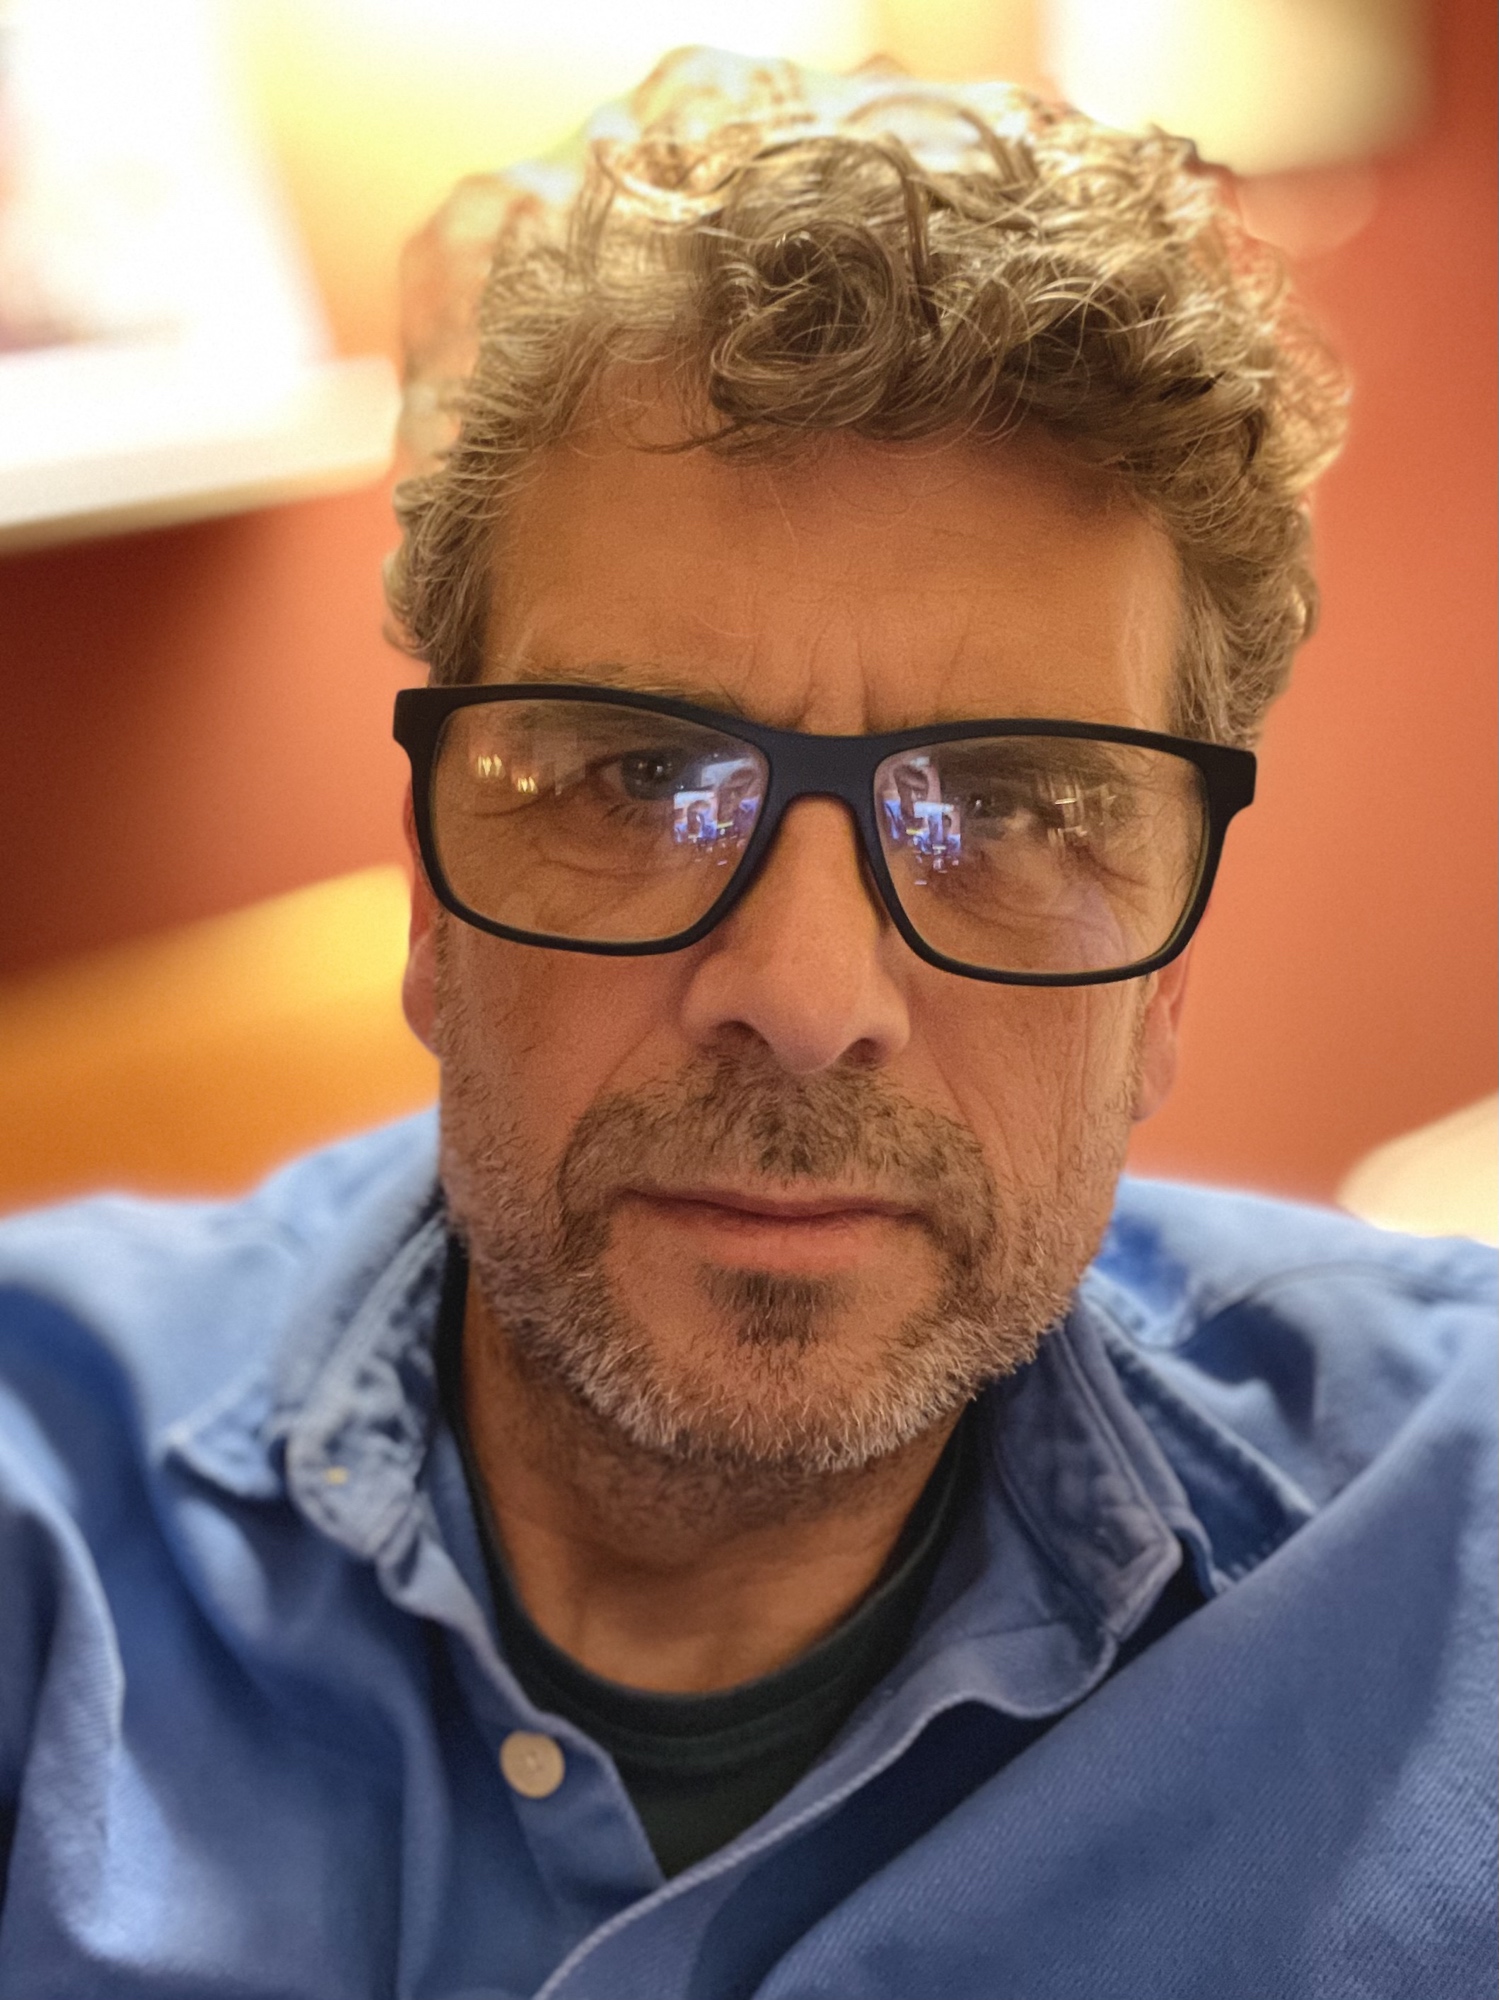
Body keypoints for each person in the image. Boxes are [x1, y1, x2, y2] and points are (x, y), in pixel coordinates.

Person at [0, 49, 1493, 2000]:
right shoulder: (43, 1524)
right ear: (433, 891)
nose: (801, 999)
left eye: (1009, 808)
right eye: (638, 777)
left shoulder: (1456, 1557)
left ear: (1166, 975)